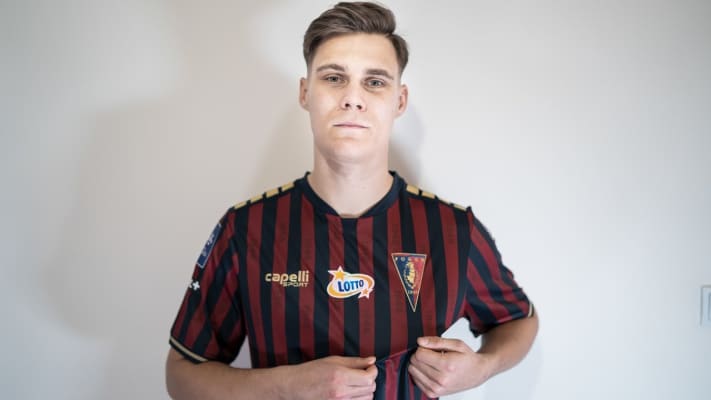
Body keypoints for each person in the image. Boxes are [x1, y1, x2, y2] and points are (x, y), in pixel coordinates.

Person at [165, 2, 538, 399]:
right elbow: (182, 375)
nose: (352, 98)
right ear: (305, 92)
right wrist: (284, 386)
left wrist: (482, 367)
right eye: (334, 78)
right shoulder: (247, 228)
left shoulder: (452, 230)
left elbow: (518, 319)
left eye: (374, 82)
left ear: (399, 100)